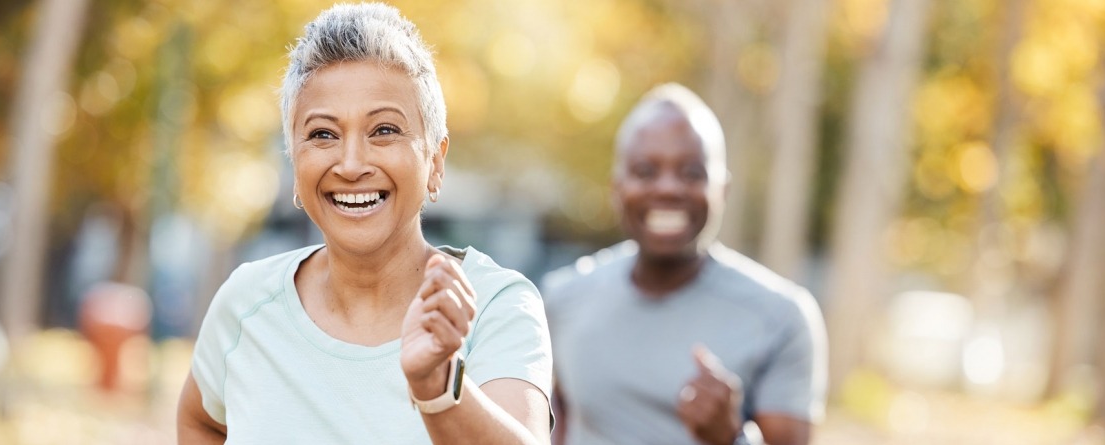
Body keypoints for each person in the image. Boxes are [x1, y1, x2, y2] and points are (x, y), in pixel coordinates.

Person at [176, 3, 553, 444]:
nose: (351, 164)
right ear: (294, 164)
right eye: (322, 134)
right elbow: (200, 422)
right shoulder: (245, 304)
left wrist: (438, 388)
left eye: (385, 130)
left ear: (435, 161)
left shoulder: (495, 305)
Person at [541, 84, 827, 445]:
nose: (668, 189)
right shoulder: (563, 298)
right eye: (646, 171)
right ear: (617, 188)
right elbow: (552, 425)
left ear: (722, 190)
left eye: (692, 172)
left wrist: (731, 437)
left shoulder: (782, 317)